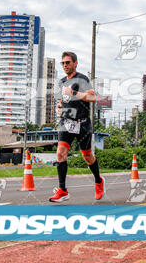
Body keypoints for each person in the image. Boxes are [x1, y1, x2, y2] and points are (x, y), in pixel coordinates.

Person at [49, 51, 104, 202]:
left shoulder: (82, 79)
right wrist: (59, 106)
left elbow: (92, 97)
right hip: (66, 122)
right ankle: (63, 190)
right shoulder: (61, 82)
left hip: (82, 123)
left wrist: (74, 92)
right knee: (60, 153)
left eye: (68, 62)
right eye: (63, 63)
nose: (65, 65)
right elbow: (63, 101)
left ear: (75, 63)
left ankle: (98, 181)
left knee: (87, 156)